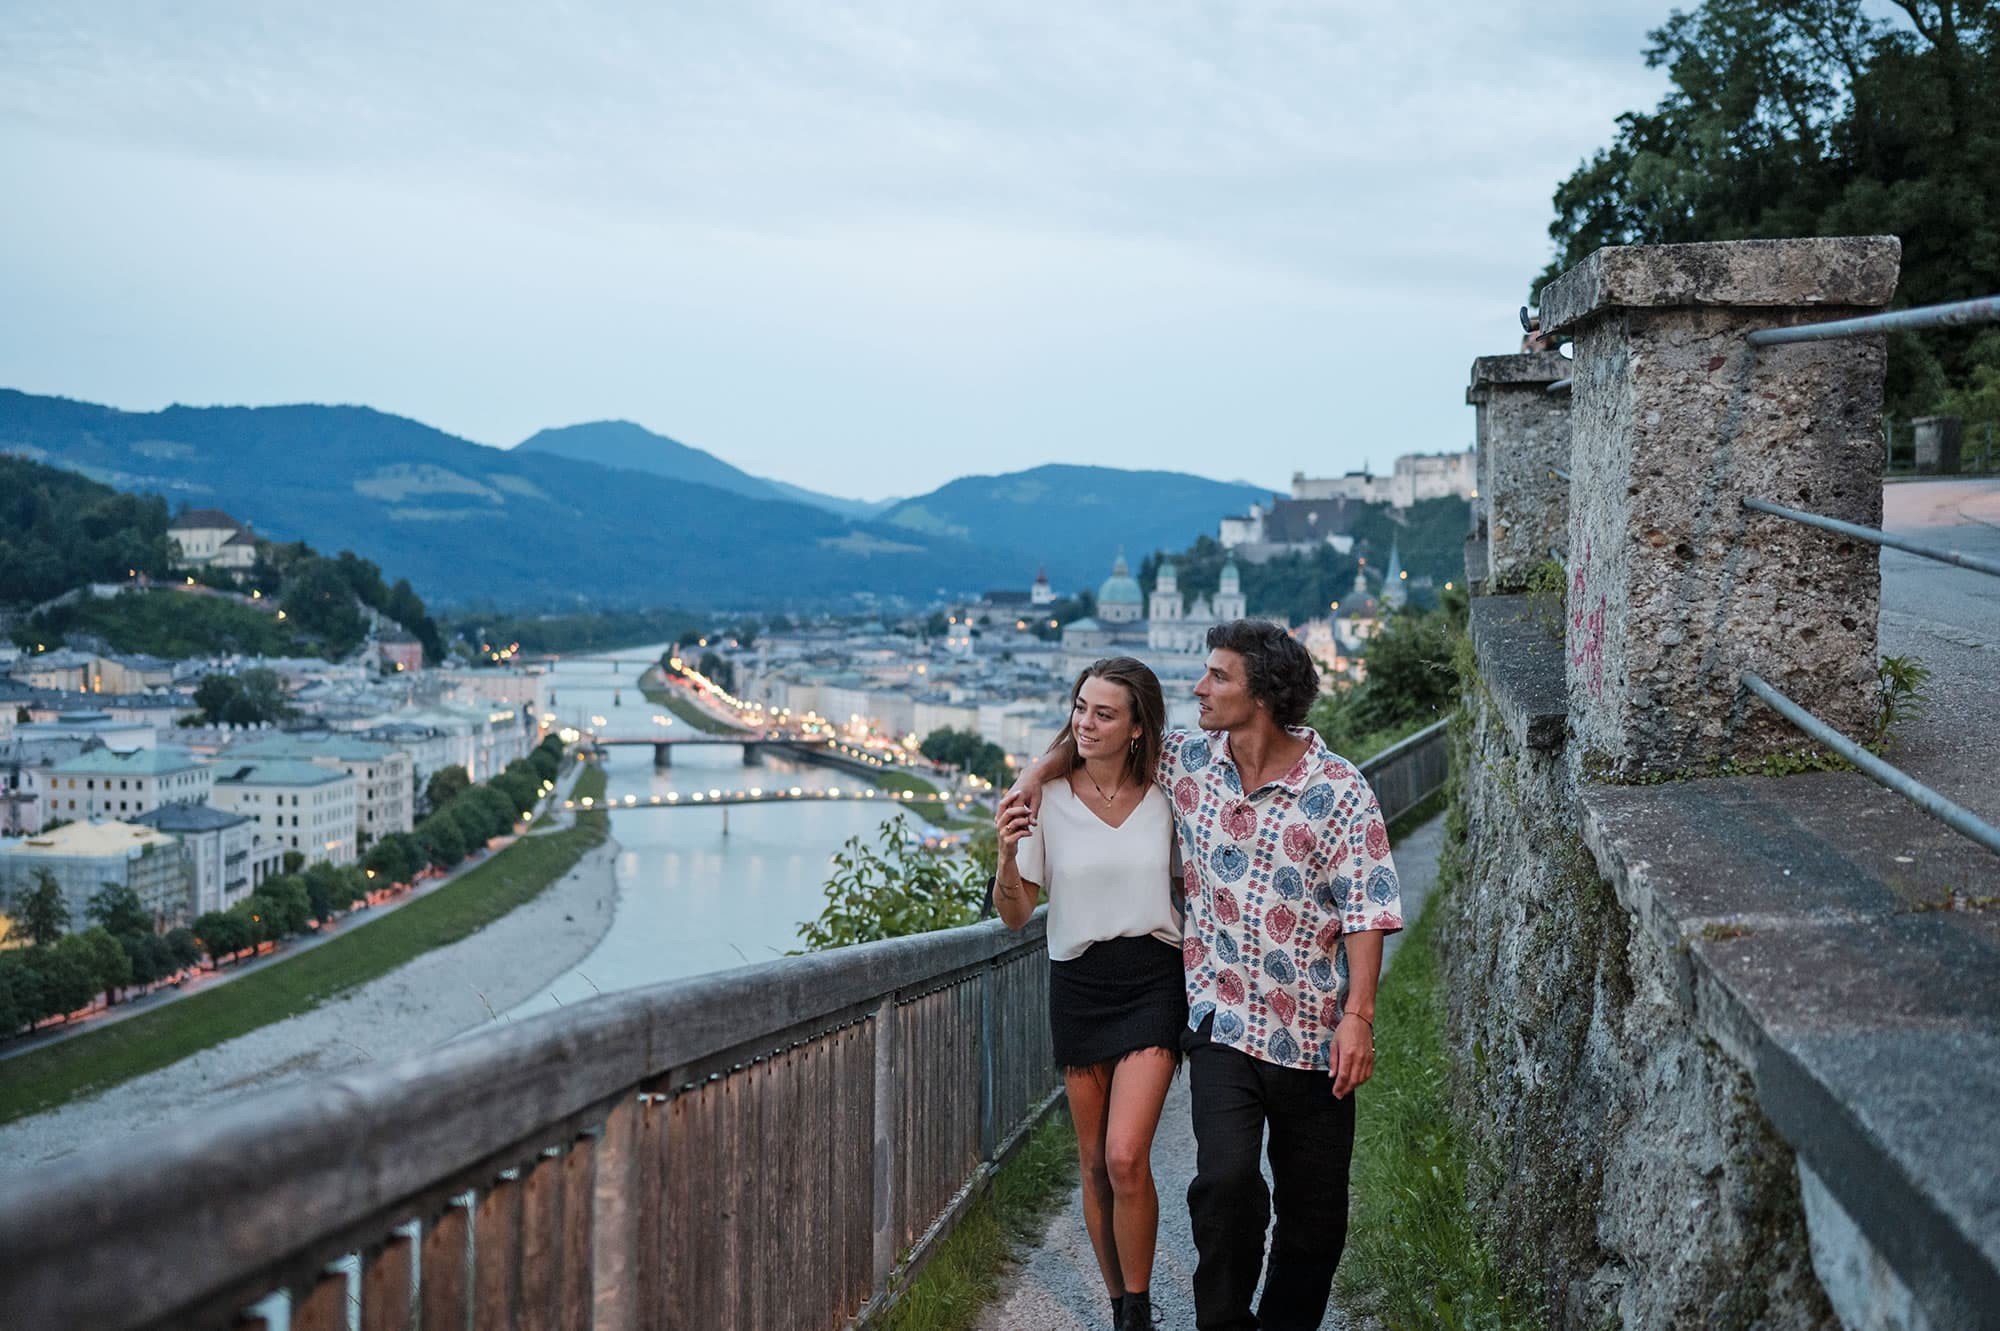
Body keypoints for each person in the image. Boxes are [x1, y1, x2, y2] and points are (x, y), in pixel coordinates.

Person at [1004, 620, 1402, 1331]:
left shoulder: (1340, 790)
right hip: (1222, 1021)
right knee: (1223, 1185)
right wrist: (1035, 775)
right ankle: (1219, 1321)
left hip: (1312, 1029)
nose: (1198, 687)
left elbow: (1368, 904)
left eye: (1217, 676)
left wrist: (1359, 1015)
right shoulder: (1187, 763)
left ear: (1266, 695)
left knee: (1315, 1217)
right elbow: (1102, 732)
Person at [994, 656, 1185, 1331]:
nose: (1086, 721)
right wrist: (1004, 855)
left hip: (1154, 979)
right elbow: (1016, 914)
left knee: (1126, 1153)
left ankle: (1138, 1309)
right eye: (1080, 708)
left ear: (1138, 727)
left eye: (1104, 712)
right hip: (1077, 983)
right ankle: (1118, 1305)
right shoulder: (1048, 801)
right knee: (1095, 1165)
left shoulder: (1170, 793)